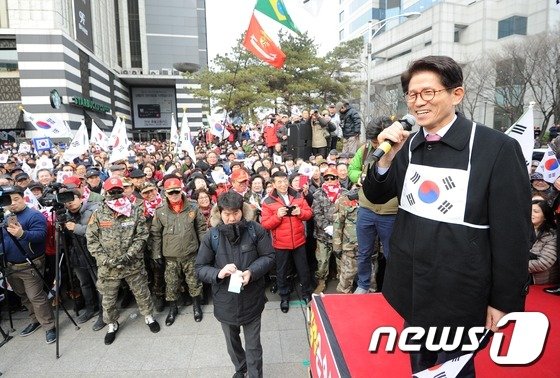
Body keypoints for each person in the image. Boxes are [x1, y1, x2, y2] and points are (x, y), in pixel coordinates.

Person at [362, 55, 532, 376]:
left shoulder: (496, 148)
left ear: (457, 94)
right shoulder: (408, 145)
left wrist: (503, 300)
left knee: (455, 371)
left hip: (463, 293)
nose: (418, 102)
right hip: (413, 287)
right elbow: (376, 194)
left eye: (429, 92)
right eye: (412, 95)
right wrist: (386, 159)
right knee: (421, 365)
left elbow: (514, 235)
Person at [196, 191, 275, 378]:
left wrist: (251, 272)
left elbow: (269, 256)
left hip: (252, 299)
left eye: (236, 213)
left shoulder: (256, 230)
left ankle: (255, 375)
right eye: (227, 214)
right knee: (232, 344)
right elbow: (200, 267)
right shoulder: (212, 236)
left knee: (253, 346)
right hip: (225, 301)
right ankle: (241, 369)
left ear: (242, 211)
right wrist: (219, 273)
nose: (232, 219)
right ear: (219, 213)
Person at [86, 177, 160, 345]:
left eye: (118, 191)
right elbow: (92, 239)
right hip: (108, 268)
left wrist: (129, 255)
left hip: (132, 263)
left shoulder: (134, 211)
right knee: (108, 298)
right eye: (112, 192)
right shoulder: (98, 213)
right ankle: (112, 323)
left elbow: (142, 236)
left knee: (142, 293)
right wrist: (105, 260)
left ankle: (148, 316)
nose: (115, 195)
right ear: (106, 193)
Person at [1, 185, 56, 344]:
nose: (12, 203)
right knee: (23, 295)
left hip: (30, 264)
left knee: (36, 296)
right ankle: (35, 320)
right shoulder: (6, 217)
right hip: (11, 265)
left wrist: (22, 234)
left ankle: (49, 326)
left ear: (23, 198)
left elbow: (41, 235)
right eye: (8, 201)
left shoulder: (34, 215)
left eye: (16, 199)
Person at [348, 117, 397, 294]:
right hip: (366, 209)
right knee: (364, 252)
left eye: (380, 142)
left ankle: (393, 285)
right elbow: (352, 170)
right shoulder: (365, 149)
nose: (377, 146)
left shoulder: (400, 151)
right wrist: (360, 177)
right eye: (374, 142)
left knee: (392, 253)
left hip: (391, 212)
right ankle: (363, 284)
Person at [151, 177, 207, 326]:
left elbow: (201, 228)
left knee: (194, 282)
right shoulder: (160, 212)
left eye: (177, 191)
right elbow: (156, 234)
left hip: (191, 254)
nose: (175, 194)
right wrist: (156, 254)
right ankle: (173, 309)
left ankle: (196, 306)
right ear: (165, 194)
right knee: (171, 284)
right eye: (171, 192)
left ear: (181, 190)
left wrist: (204, 249)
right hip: (171, 257)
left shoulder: (193, 207)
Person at [261, 171, 313, 313]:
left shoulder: (297, 194)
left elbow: (309, 213)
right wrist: (277, 216)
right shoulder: (268, 201)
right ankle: (284, 297)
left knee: (303, 269)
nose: (283, 184)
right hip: (280, 243)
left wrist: (299, 213)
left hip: (299, 240)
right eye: (279, 182)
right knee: (282, 271)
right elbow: (265, 224)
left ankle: (306, 294)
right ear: (273, 184)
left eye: (285, 181)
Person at [61, 188, 106, 330]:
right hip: (76, 255)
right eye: (66, 202)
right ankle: (90, 308)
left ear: (80, 198)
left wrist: (76, 228)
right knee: (84, 284)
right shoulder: (64, 215)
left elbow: (100, 231)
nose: (70, 204)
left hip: (93, 254)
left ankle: (104, 313)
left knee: (100, 285)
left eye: (72, 199)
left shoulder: (95, 209)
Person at [529, 199, 559, 285]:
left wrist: (517, 265)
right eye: (530, 210)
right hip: (523, 270)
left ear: (545, 216)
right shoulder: (524, 230)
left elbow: (544, 262)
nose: (531, 214)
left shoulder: (551, 235)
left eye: (536, 211)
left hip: (539, 276)